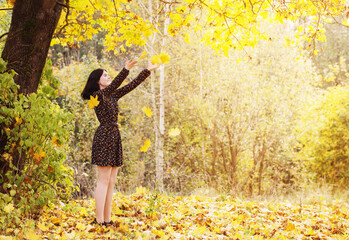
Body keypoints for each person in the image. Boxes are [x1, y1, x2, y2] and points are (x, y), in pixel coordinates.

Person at [81, 58, 159, 226]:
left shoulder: (111, 94)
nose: (108, 76)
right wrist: (125, 69)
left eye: (109, 74)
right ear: (97, 81)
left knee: (111, 181)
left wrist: (147, 70)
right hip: (104, 136)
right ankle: (99, 220)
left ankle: (107, 220)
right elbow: (115, 85)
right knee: (103, 180)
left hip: (114, 136)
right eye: (105, 75)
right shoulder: (97, 95)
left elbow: (131, 86)